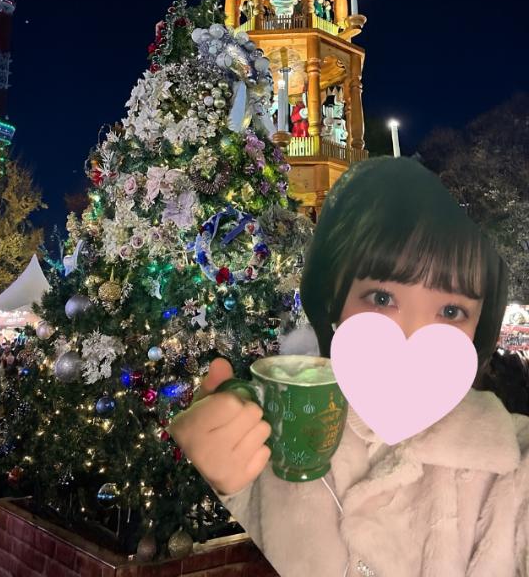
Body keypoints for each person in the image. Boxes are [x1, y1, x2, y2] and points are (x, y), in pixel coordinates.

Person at [169, 157, 529, 577]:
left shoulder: (511, 464)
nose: (411, 337)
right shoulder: (272, 425)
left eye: (451, 311)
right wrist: (221, 480)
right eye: (382, 298)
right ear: (334, 299)